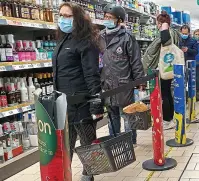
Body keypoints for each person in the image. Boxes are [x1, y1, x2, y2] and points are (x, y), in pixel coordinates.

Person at [52, 2, 103, 181]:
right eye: (61, 15)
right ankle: (65, 176)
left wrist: (96, 101)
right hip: (64, 104)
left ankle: (88, 175)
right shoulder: (62, 39)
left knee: (87, 143)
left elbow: (91, 73)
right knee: (66, 145)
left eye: (68, 16)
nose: (63, 19)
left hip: (82, 103)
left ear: (78, 19)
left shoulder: (86, 42)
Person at [99, 4, 145, 145]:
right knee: (112, 116)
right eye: (105, 16)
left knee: (127, 114)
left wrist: (140, 82)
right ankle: (115, 141)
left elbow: (135, 61)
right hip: (107, 84)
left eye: (110, 17)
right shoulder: (99, 37)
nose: (107, 19)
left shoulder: (126, 37)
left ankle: (130, 142)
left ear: (119, 20)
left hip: (124, 83)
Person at [142, 11, 181, 130]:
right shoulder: (174, 32)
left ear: (160, 23)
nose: (157, 26)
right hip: (169, 66)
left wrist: (163, 29)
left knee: (164, 94)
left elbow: (166, 42)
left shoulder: (166, 32)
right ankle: (170, 119)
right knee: (167, 93)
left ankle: (167, 120)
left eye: (158, 23)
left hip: (164, 67)